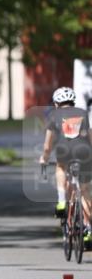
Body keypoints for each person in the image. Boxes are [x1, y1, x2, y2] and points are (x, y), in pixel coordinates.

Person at [39, 87, 92, 244]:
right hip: (84, 152)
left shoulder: (53, 115)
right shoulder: (83, 113)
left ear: (56, 103)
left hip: (64, 150)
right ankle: (88, 230)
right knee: (85, 192)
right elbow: (90, 136)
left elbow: (47, 145)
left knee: (60, 167)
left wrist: (44, 158)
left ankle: (62, 201)